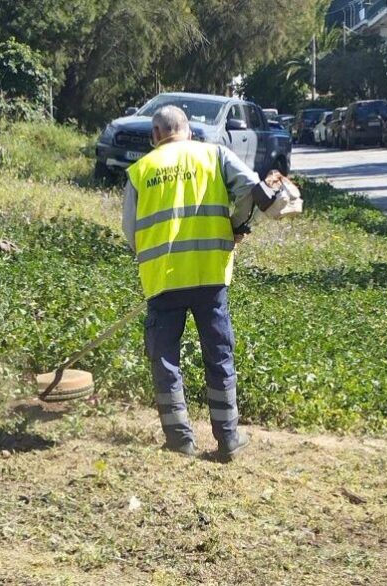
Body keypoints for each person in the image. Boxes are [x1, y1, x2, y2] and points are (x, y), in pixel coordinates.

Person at [122, 105, 282, 461]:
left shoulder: (140, 171)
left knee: (165, 357)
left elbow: (130, 233)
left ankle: (180, 441)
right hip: (210, 275)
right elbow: (252, 189)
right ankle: (227, 439)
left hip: (163, 279)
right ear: (188, 132)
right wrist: (236, 224)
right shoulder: (215, 155)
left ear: (156, 135)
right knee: (219, 354)